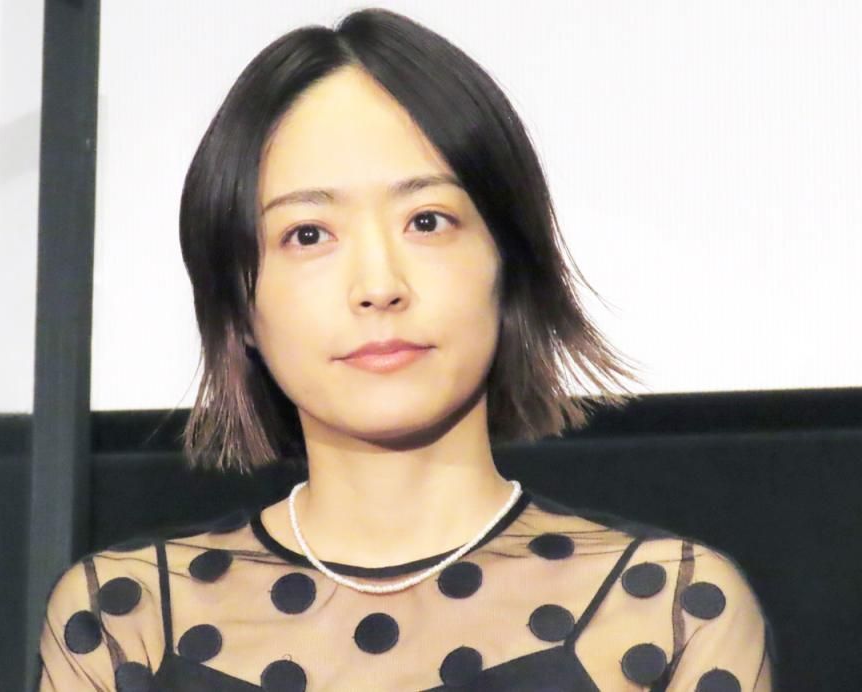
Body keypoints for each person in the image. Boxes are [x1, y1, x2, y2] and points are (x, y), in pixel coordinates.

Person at [38, 8, 775, 691]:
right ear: (239, 306)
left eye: (427, 221)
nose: (378, 286)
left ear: (510, 263)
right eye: (307, 234)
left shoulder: (666, 609)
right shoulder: (128, 619)